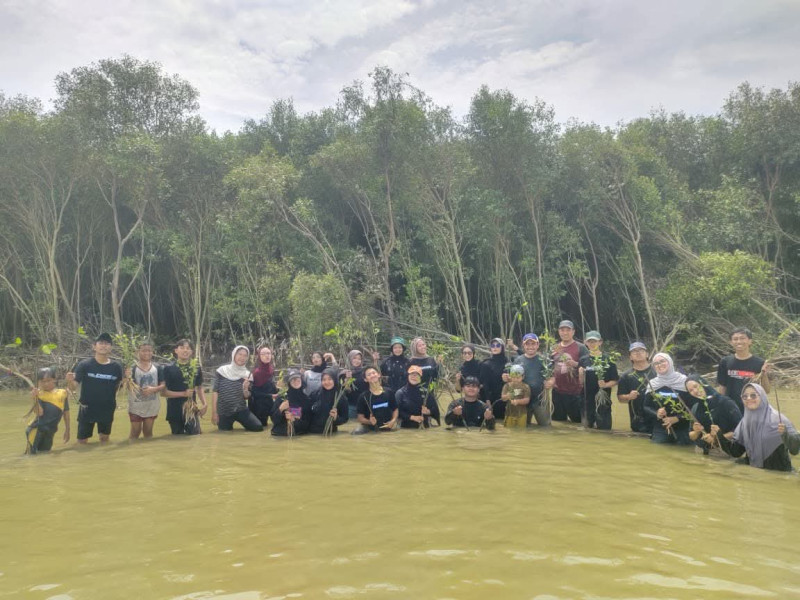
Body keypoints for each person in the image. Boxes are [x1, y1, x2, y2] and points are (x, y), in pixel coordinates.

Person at [726, 383, 800, 471]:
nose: (749, 398)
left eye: (753, 395)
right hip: (754, 474)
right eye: (745, 396)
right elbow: (736, 452)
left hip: (779, 473)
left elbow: (795, 450)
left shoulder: (779, 419)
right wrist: (717, 438)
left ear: (762, 397)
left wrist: (785, 434)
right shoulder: (744, 422)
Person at [67, 332, 124, 444]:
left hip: (107, 408)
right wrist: (69, 381)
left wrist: (127, 379)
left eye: (107, 343)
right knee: (82, 441)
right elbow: (73, 387)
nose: (104, 346)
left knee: (104, 439)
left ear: (111, 347)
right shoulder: (84, 365)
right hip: (87, 408)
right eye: (101, 343)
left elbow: (119, 387)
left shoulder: (116, 367)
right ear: (94, 346)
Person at [544, 321, 588, 424]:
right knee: (559, 424)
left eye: (568, 330)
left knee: (578, 423)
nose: (565, 333)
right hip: (557, 393)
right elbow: (548, 368)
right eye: (562, 330)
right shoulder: (554, 348)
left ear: (573, 332)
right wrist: (549, 380)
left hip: (575, 393)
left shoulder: (581, 348)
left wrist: (576, 364)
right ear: (559, 332)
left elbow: (589, 367)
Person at [717, 328, 770, 413]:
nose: (739, 342)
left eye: (742, 338)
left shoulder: (760, 363)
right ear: (731, 342)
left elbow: (766, 390)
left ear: (750, 341)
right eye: (735, 339)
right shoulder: (725, 362)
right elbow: (722, 387)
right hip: (731, 408)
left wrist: (764, 373)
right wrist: (720, 405)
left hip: (751, 407)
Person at [685, 375, 742, 455]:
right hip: (701, 451)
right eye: (691, 390)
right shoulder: (695, 407)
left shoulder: (725, 402)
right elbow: (691, 435)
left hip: (723, 450)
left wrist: (717, 439)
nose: (695, 391)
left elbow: (740, 430)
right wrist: (696, 432)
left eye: (696, 386)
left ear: (703, 384)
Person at [644, 353, 693, 445]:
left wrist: (676, 418)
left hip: (683, 429)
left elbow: (693, 407)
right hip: (661, 428)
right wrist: (657, 413)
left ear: (670, 362)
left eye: (662, 361)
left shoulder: (684, 381)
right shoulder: (653, 384)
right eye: (656, 363)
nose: (660, 365)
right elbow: (646, 406)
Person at [211, 346, 263, 432]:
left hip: (241, 409)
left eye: (245, 355)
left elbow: (247, 397)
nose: (242, 358)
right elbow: (215, 392)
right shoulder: (221, 371)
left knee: (258, 427)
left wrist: (245, 389)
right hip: (224, 411)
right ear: (234, 354)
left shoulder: (248, 375)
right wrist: (214, 413)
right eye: (240, 354)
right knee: (225, 434)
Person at [162, 339, 206, 435]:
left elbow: (199, 387)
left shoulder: (196, 367)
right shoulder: (168, 368)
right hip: (174, 410)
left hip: (191, 409)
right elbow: (163, 393)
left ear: (191, 352)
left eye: (188, 348)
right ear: (176, 350)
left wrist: (204, 404)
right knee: (177, 438)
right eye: (182, 348)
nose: (185, 350)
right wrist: (183, 394)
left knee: (195, 436)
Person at [579, 331, 618, 430]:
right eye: (590, 341)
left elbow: (615, 380)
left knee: (604, 429)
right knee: (587, 429)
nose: (592, 344)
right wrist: (580, 374)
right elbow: (581, 383)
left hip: (603, 400)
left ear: (600, 342)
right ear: (585, 343)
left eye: (595, 341)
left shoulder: (608, 360)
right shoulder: (583, 360)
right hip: (587, 401)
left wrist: (605, 385)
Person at [25, 367, 70, 453]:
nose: (46, 384)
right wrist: (35, 399)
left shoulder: (62, 393)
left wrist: (67, 430)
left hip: (50, 431)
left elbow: (66, 412)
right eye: (42, 381)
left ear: (54, 380)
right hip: (36, 429)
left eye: (48, 380)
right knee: (31, 455)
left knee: (45, 454)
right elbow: (39, 413)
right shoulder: (39, 394)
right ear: (38, 382)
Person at [127, 340, 164, 440]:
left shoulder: (157, 367)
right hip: (136, 406)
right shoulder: (132, 368)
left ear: (152, 352)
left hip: (151, 405)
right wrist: (126, 377)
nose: (146, 353)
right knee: (135, 433)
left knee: (148, 433)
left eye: (149, 350)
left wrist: (153, 389)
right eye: (143, 350)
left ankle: (147, 453)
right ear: (137, 352)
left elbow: (163, 385)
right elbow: (126, 387)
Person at [616, 342, 655, 434]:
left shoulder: (657, 372)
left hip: (657, 417)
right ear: (630, 357)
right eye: (634, 351)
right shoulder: (626, 376)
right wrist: (629, 396)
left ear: (647, 354)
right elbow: (620, 398)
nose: (638, 353)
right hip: (637, 420)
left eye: (641, 350)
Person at [512, 333, 549, 427]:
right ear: (523, 346)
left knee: (546, 428)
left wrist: (551, 382)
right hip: (523, 400)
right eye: (527, 344)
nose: (530, 347)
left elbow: (551, 376)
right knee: (522, 428)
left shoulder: (544, 360)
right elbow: (513, 381)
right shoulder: (517, 360)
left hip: (540, 400)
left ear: (537, 345)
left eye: (533, 344)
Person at [354, 366, 398, 433]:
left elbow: (395, 409)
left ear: (379, 375)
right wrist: (370, 422)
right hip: (370, 428)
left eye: (374, 373)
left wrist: (393, 421)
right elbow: (360, 418)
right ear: (365, 379)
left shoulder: (389, 392)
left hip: (388, 426)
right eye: (369, 375)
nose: (372, 375)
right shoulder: (363, 396)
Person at [272, 370, 313, 436]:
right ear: (289, 382)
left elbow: (308, 422)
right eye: (293, 380)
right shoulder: (282, 397)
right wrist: (280, 409)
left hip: (298, 434)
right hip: (281, 434)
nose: (296, 381)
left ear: (301, 381)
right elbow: (274, 419)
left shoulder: (306, 399)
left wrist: (295, 420)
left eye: (298, 379)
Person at [309, 368, 349, 434]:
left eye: (330, 379)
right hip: (312, 432)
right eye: (324, 380)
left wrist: (336, 418)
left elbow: (345, 418)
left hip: (331, 432)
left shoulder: (341, 397)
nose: (327, 382)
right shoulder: (315, 394)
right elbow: (306, 411)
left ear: (334, 380)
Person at [245, 345, 277, 427]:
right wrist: (271, 395)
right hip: (258, 405)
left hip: (269, 402)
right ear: (259, 356)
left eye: (268, 353)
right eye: (263, 354)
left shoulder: (271, 369)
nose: (267, 355)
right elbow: (254, 393)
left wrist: (279, 392)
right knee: (261, 426)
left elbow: (270, 386)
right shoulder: (257, 372)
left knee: (276, 423)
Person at [479, 338, 509, 420]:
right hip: (490, 399)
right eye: (493, 345)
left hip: (503, 398)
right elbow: (485, 384)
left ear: (502, 347)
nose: (495, 347)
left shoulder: (508, 363)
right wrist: (488, 402)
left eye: (498, 345)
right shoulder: (486, 364)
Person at [343, 349, 369, 420]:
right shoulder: (344, 373)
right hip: (351, 405)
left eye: (359, 359)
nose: (357, 361)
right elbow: (346, 391)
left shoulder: (364, 372)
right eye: (354, 358)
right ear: (349, 359)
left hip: (365, 405)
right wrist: (348, 380)